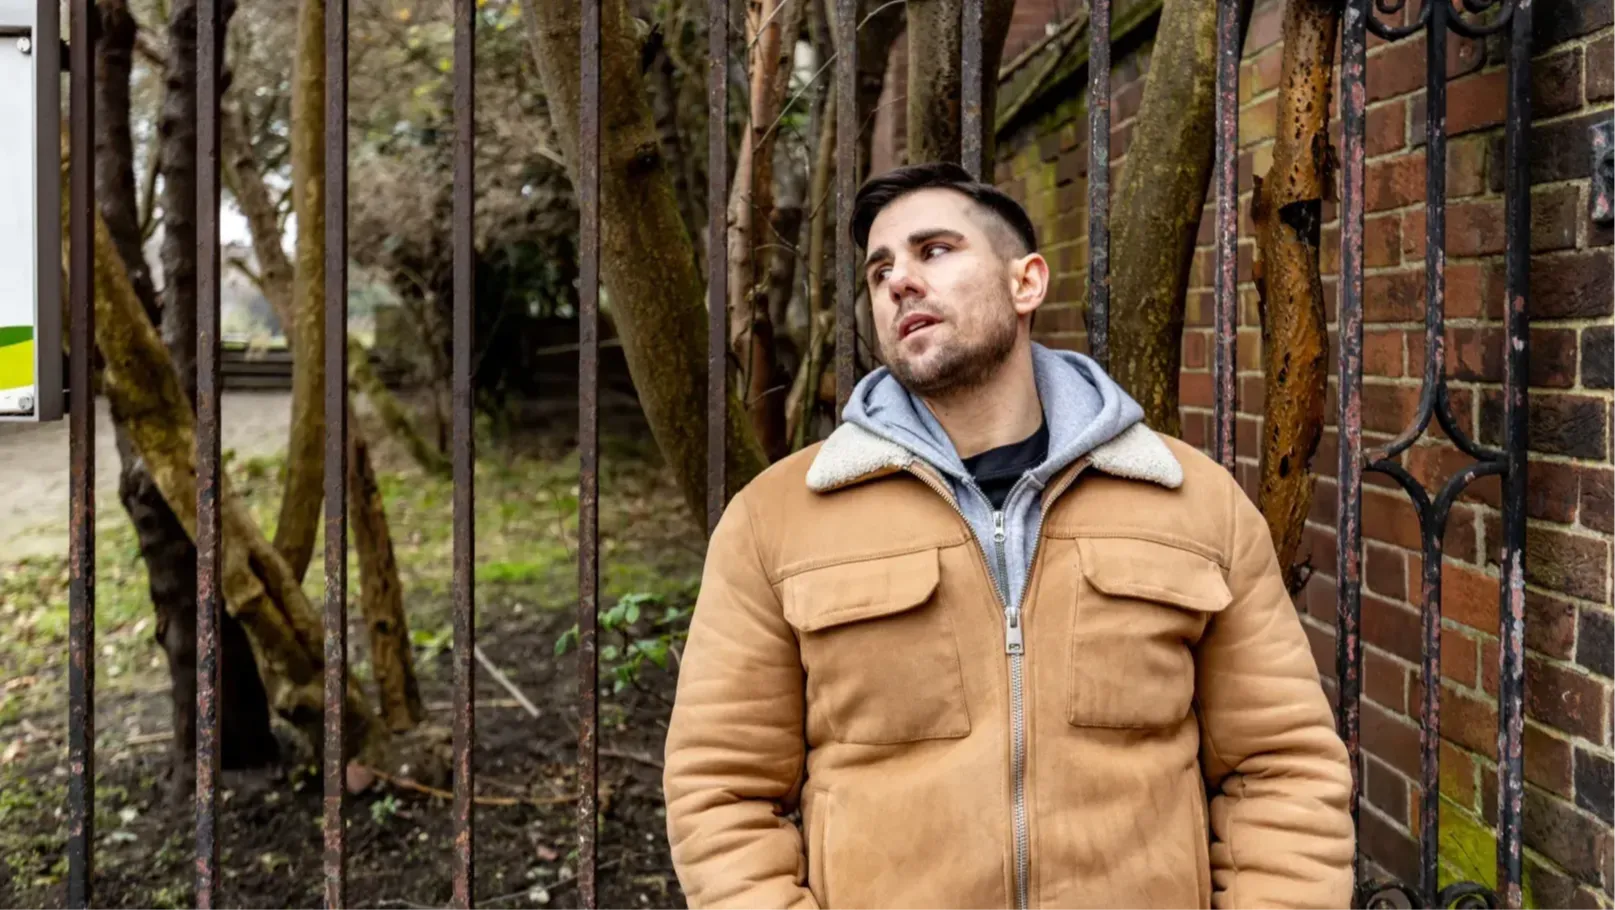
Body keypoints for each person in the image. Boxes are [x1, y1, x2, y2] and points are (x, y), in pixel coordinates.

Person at [661, 161, 1354, 909]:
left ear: (1025, 283)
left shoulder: (1191, 502)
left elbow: (1280, 768)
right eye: (879, 270)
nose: (898, 281)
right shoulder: (778, 518)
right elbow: (722, 787)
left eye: (934, 251)